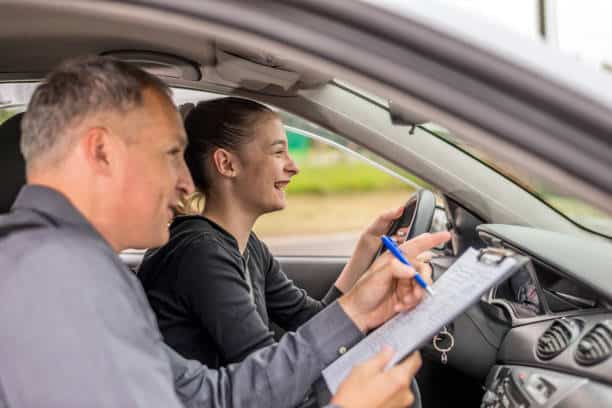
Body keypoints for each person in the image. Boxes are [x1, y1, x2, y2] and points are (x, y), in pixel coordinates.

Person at [0, 56, 450, 408]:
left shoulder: (82, 271)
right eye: (170, 154)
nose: (184, 181)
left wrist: (356, 309)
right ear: (102, 153)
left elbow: (214, 396)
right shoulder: (44, 283)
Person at [138, 97, 411, 369]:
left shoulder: (248, 247)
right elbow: (268, 371)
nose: (294, 166)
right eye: (278, 152)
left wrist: (367, 247)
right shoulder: (200, 253)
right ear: (227, 164)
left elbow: (312, 322)